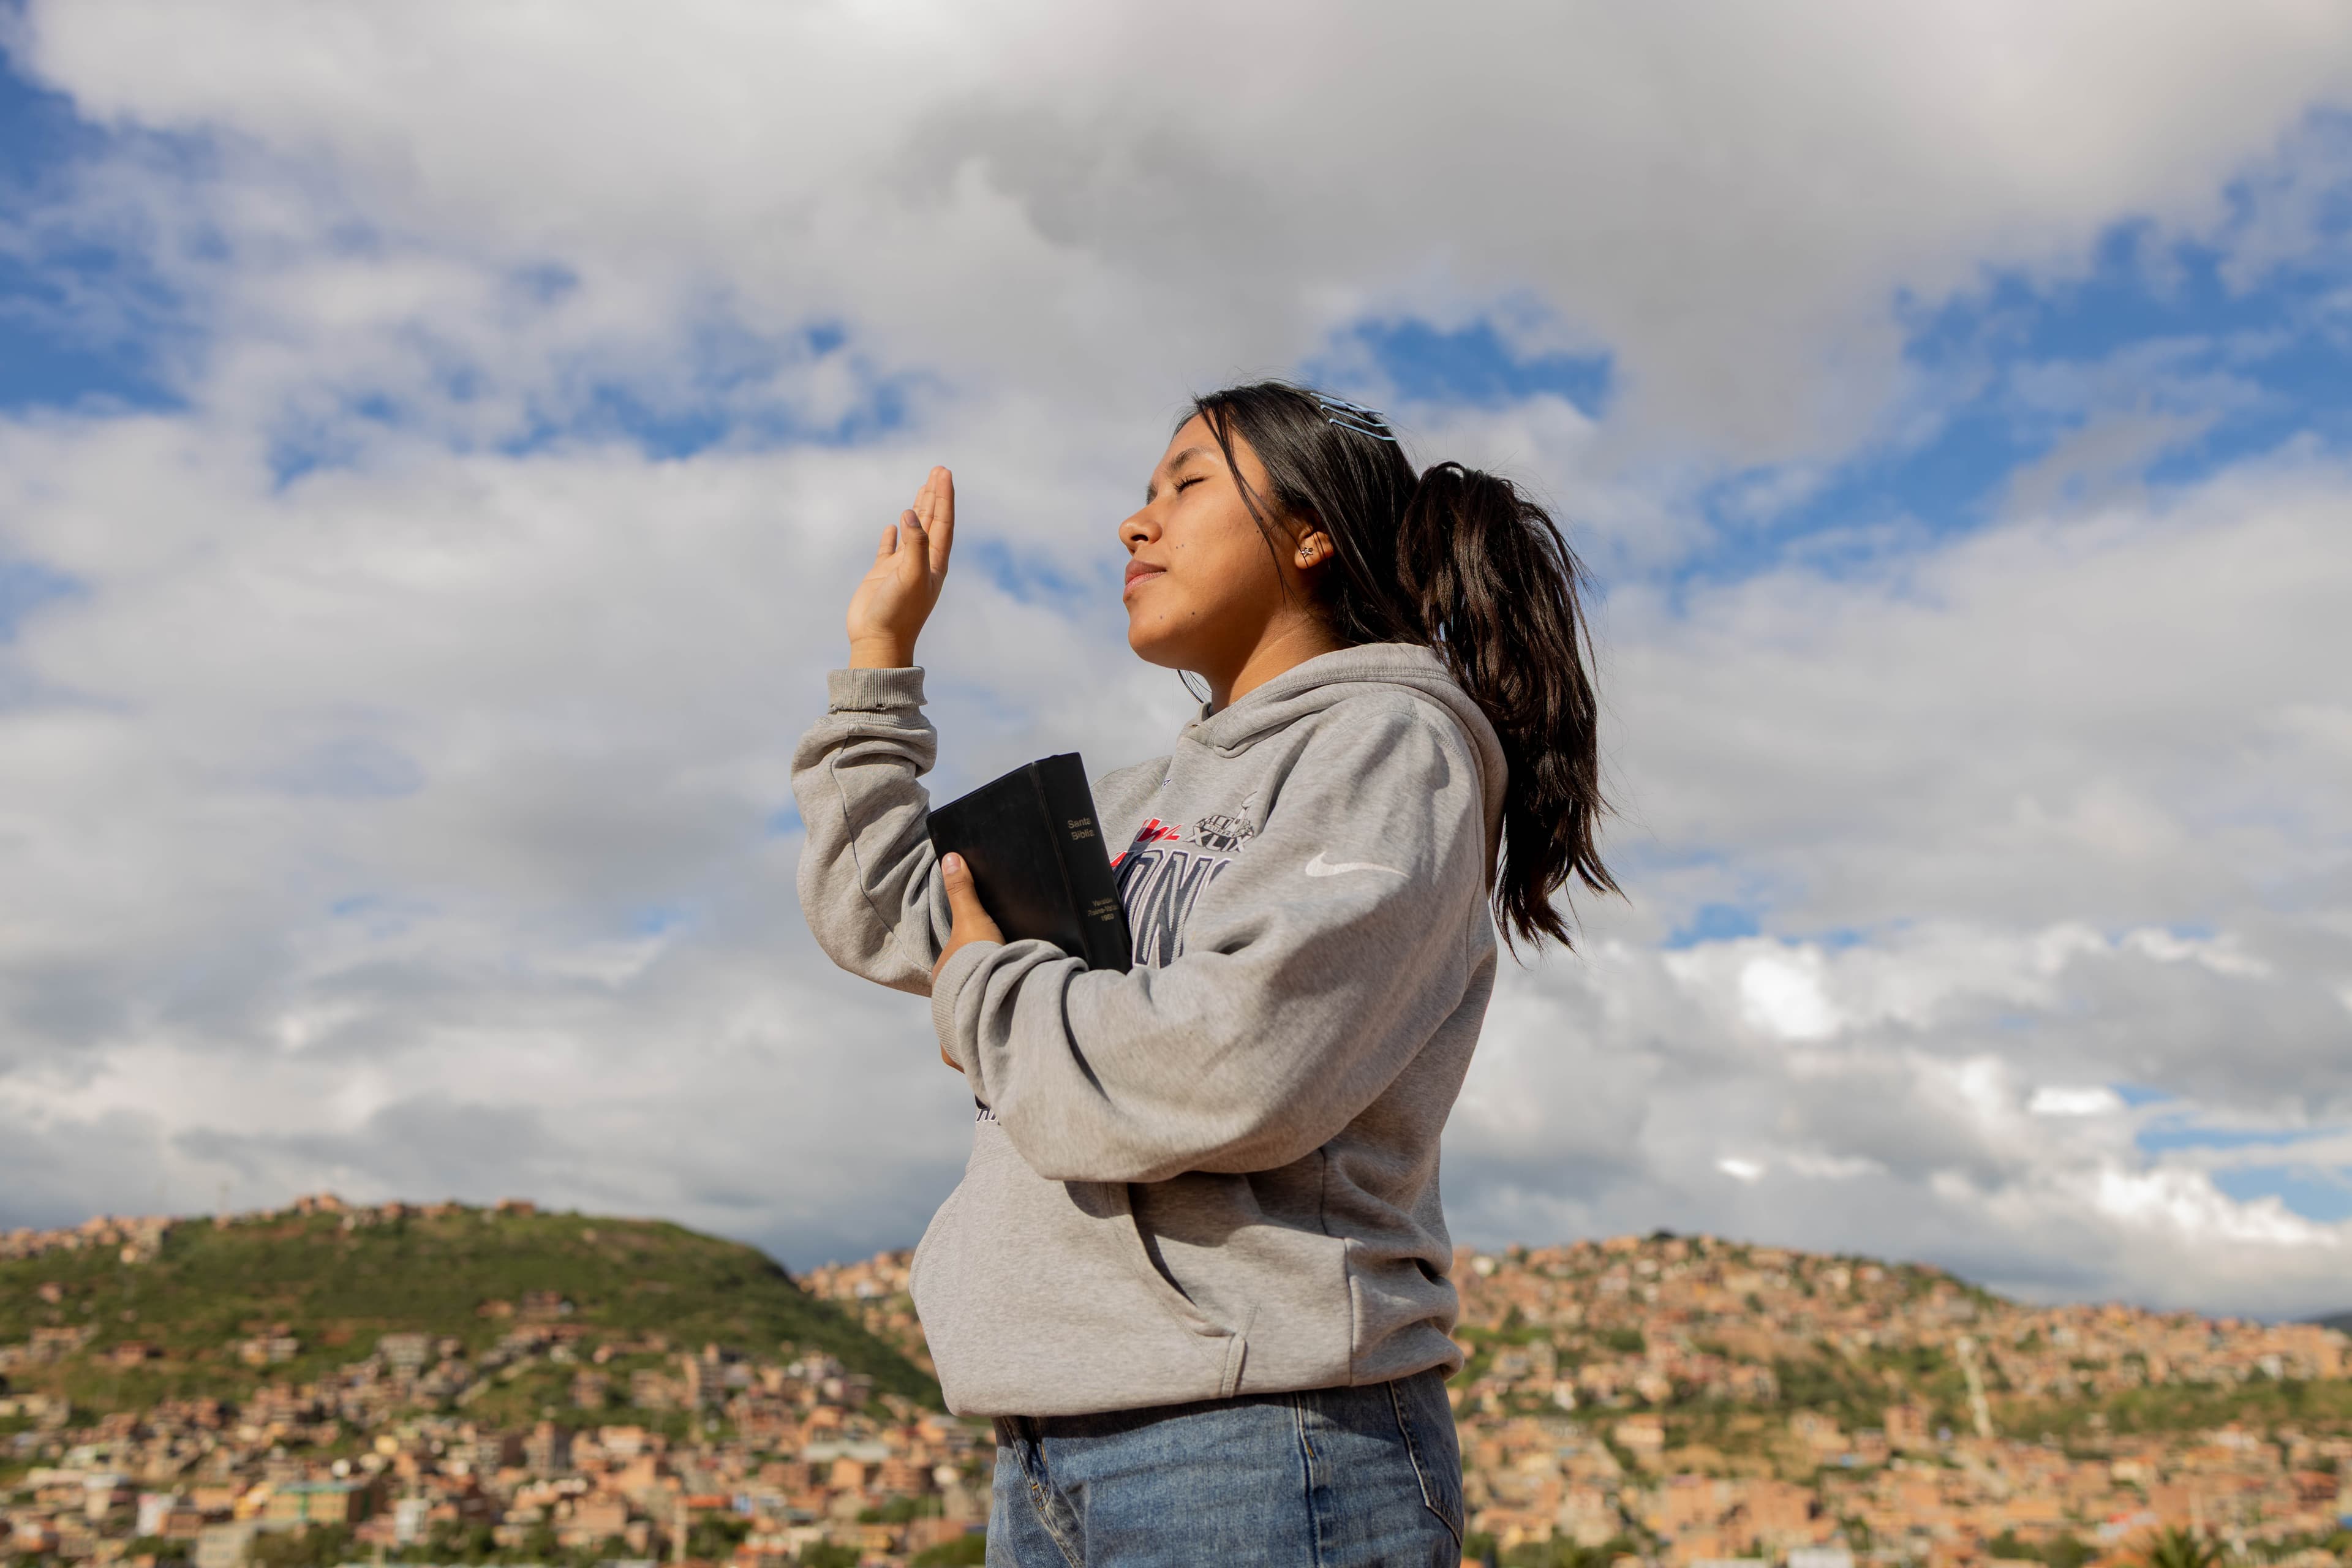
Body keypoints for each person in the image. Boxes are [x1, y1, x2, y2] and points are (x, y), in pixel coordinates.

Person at [791, 381, 1615, 1566]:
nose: (1136, 523)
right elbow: (883, 913)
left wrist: (992, 1002)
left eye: (1185, 485)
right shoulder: (1127, 810)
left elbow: (1238, 1056)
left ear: (1309, 534)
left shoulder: (1387, 743)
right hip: (1046, 1444)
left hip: (1264, 1443)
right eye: (1141, 495)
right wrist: (881, 657)